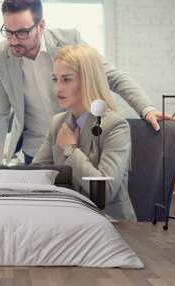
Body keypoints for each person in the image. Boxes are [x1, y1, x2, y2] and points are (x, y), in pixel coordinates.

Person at [0, 0, 174, 165]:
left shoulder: (69, 41)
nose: (14, 41)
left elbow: (113, 76)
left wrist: (147, 108)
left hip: (78, 144)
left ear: (41, 26)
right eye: (8, 32)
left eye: (22, 33)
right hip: (34, 150)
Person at [32, 44, 136, 221]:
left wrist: (71, 149)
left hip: (110, 223)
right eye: (55, 79)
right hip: (69, 218)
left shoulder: (115, 126)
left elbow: (104, 192)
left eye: (66, 80)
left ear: (87, 81)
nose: (57, 88)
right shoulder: (58, 122)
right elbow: (35, 173)